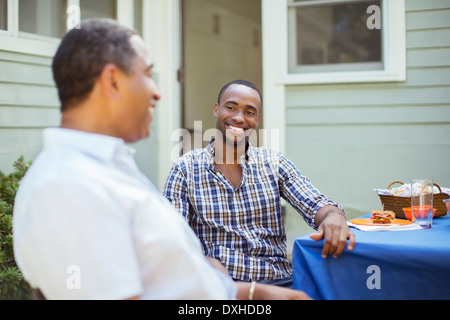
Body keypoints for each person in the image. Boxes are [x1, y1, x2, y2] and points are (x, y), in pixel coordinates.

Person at [12, 19, 310, 300]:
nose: (157, 92)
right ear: (112, 81)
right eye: (147, 74)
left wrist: (258, 294)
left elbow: (172, 279)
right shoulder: (68, 186)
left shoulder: (107, 168)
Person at [163, 79, 356, 288]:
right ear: (216, 109)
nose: (238, 118)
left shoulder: (273, 164)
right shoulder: (185, 169)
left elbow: (315, 203)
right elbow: (174, 241)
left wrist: (333, 216)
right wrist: (205, 262)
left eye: (249, 112)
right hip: (221, 287)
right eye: (231, 107)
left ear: (257, 119)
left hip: (279, 283)